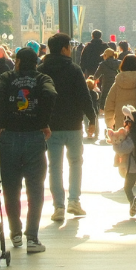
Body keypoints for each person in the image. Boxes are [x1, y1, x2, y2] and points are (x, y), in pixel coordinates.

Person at [0, 46, 56, 253]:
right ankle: (32, 238)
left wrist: (0, 121)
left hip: (8, 136)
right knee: (35, 188)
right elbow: (51, 95)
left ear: (17, 62)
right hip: (34, 136)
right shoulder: (42, 79)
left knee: (11, 187)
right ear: (36, 62)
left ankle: (16, 234)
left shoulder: (6, 77)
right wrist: (43, 121)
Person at [39, 33, 98, 220]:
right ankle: (74, 201)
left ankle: (59, 207)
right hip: (73, 124)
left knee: (55, 166)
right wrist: (92, 118)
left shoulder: (41, 69)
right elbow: (84, 95)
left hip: (50, 126)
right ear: (64, 48)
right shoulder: (73, 69)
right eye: (69, 46)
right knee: (75, 163)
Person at [104, 54, 136, 129]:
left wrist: (110, 122)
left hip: (120, 122)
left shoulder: (117, 84)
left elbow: (109, 105)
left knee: (122, 140)